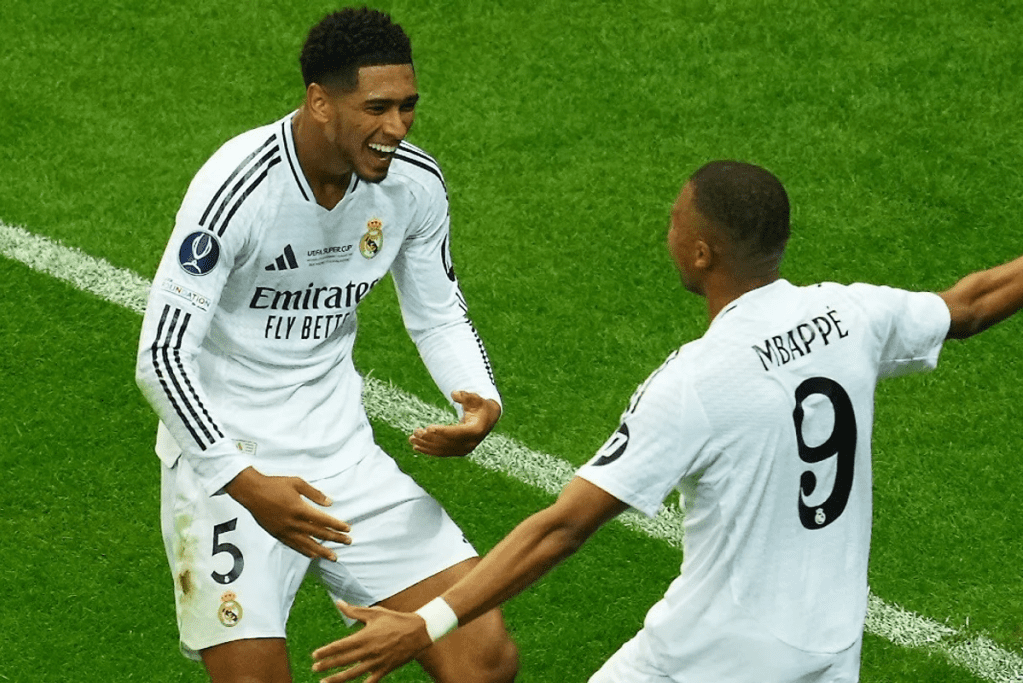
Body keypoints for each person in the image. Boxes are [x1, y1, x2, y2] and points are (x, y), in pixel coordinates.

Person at [310, 160, 1023, 683]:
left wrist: (426, 621)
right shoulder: (851, 313)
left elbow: (563, 525)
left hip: (710, 657)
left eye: (675, 222)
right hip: (829, 650)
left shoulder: (699, 379)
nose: (668, 231)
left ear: (702, 251)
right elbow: (971, 304)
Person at [135, 8, 519, 683]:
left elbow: (436, 312)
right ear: (320, 102)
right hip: (228, 467)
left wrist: (478, 398)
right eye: (376, 108)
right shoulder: (238, 188)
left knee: (483, 659)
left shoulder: (413, 183)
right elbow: (161, 357)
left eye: (407, 106)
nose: (396, 127)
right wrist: (243, 482)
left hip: (342, 458)